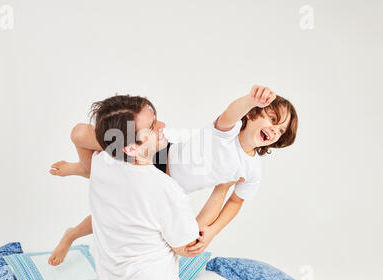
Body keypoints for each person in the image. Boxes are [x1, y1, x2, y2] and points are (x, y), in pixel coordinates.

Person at [48, 85, 298, 264]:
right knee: (80, 133)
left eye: (281, 130)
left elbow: (236, 202)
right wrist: (252, 99)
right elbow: (231, 112)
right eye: (272, 119)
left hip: (171, 185)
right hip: (158, 154)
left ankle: (72, 233)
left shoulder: (252, 169)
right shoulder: (226, 132)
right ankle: (85, 168)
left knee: (117, 214)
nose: (275, 130)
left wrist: (212, 231)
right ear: (253, 114)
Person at [49, 95, 236, 280]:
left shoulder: (104, 161)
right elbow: (188, 248)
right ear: (130, 148)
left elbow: (81, 133)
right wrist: (223, 188)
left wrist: (86, 164)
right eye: (153, 126)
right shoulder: (165, 189)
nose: (163, 125)